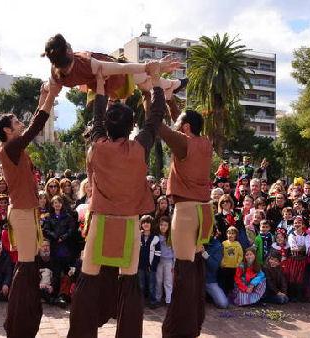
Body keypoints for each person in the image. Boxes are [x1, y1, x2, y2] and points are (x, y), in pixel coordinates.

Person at [68, 63, 164, 338]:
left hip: (100, 220)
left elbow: (97, 120)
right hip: (129, 224)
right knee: (129, 282)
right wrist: (156, 81)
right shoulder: (140, 146)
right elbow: (155, 117)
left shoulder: (97, 145)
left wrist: (100, 84)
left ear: (108, 126)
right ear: (132, 126)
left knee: (88, 280)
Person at [0, 78, 60, 338]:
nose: (20, 124)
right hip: (21, 213)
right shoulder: (10, 147)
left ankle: (25, 318)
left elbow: (30, 125)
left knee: (29, 265)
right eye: (16, 123)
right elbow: (34, 127)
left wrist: (44, 96)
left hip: (27, 212)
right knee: (25, 266)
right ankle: (19, 322)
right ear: (8, 131)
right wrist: (50, 97)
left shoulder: (13, 145)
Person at [155, 78, 214, 338]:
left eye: (180, 125)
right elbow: (180, 121)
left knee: (183, 270)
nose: (177, 126)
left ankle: (180, 328)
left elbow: (157, 125)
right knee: (195, 269)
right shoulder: (205, 143)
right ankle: (193, 321)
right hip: (204, 211)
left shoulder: (183, 143)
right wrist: (170, 99)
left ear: (186, 128)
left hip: (187, 212)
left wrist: (152, 93)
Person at [42, 33, 184, 100]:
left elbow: (48, 87)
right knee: (145, 79)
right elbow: (122, 69)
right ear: (68, 51)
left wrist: (45, 91)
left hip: (106, 87)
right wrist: (156, 66)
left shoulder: (56, 74)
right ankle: (175, 84)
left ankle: (174, 85)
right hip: (117, 79)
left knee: (145, 85)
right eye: (68, 45)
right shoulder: (88, 65)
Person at [138, 215, 161, 308]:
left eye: (148, 222)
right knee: (141, 285)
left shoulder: (156, 238)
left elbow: (158, 254)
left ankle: (152, 302)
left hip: (151, 266)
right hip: (140, 266)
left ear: (152, 224)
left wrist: (153, 266)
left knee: (152, 285)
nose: (146, 224)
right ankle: (140, 302)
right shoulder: (139, 236)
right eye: (143, 222)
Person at [155, 216, 174, 306]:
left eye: (165, 225)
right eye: (161, 225)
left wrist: (174, 264)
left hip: (168, 262)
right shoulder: (156, 237)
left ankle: (168, 300)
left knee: (168, 281)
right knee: (158, 281)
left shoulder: (171, 237)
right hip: (159, 261)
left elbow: (175, 251)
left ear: (169, 226)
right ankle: (158, 298)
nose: (163, 227)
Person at [220, 226, 244, 295]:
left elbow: (240, 255)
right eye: (229, 233)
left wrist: (238, 263)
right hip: (225, 266)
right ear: (226, 234)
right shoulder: (224, 243)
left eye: (233, 233)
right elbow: (221, 254)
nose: (231, 235)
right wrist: (222, 262)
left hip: (234, 267)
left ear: (236, 235)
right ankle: (224, 294)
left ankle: (231, 295)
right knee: (224, 282)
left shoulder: (237, 244)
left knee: (231, 281)